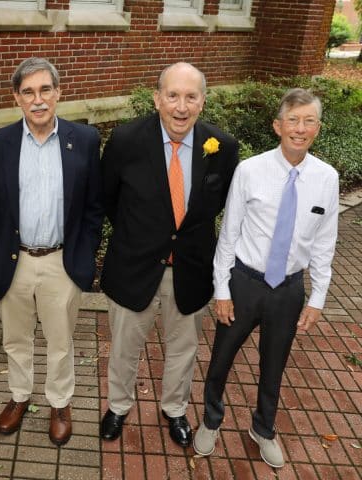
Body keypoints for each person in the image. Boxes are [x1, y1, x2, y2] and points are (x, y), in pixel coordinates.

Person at [193, 88, 339, 468]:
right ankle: (211, 419)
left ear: (317, 128)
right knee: (222, 358)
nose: (300, 128)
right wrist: (222, 289)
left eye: (309, 121)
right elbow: (229, 234)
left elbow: (324, 241)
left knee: (274, 365)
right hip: (244, 282)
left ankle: (263, 428)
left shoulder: (326, 178)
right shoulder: (250, 170)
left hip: (288, 290)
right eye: (293, 120)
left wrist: (318, 297)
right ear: (278, 126)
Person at [99, 62, 239, 447]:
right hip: (135, 265)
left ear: (202, 102)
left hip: (191, 270)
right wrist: (143, 235)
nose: (181, 106)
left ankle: (174, 408)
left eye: (190, 97)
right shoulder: (126, 140)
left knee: (184, 349)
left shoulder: (222, 148)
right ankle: (118, 405)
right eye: (173, 96)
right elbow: (108, 200)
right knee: (125, 346)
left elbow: (222, 205)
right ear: (158, 98)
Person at [0, 57, 103, 447]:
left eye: (45, 90)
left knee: (60, 339)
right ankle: (19, 396)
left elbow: (93, 206)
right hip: (14, 261)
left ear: (58, 93)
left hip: (60, 261)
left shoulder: (84, 140)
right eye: (28, 92)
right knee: (16, 338)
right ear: (17, 97)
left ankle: (60, 402)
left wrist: (83, 255)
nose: (38, 100)